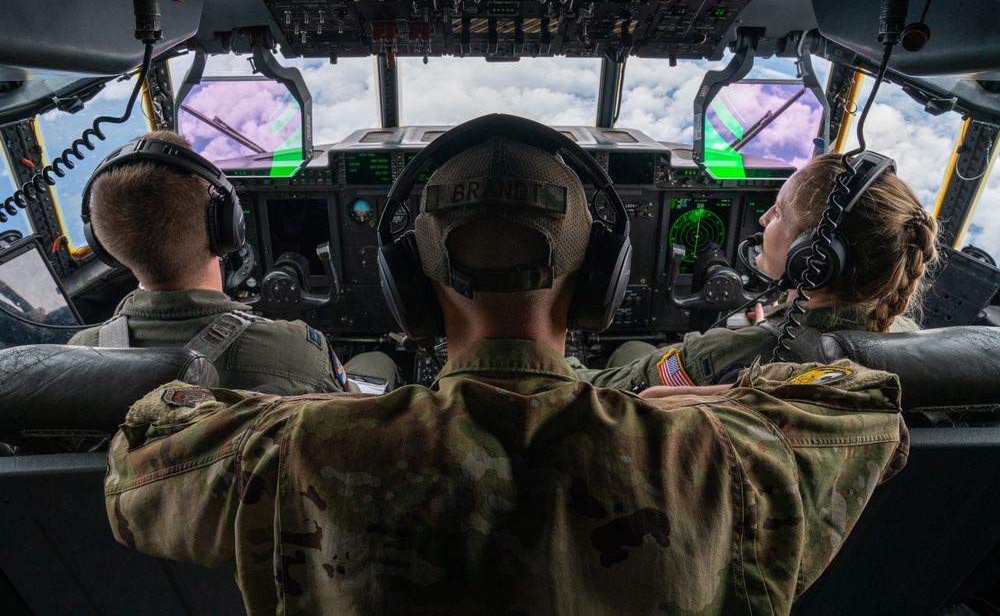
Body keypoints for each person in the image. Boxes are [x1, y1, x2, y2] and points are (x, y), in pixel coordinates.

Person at [104, 117, 907, 615]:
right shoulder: (724, 454)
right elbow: (864, 400)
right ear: (602, 281)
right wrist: (682, 408)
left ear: (408, 287)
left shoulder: (296, 450)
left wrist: (335, 406)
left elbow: (139, 453)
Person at [578, 152, 939, 391]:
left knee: (631, 349)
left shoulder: (736, 352)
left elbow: (599, 391)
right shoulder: (910, 340)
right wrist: (778, 325)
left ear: (815, 256)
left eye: (779, 213)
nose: (764, 219)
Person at [70, 130, 395, 394]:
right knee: (379, 359)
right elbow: (355, 411)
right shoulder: (296, 352)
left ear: (105, 246)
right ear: (227, 228)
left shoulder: (78, 356)